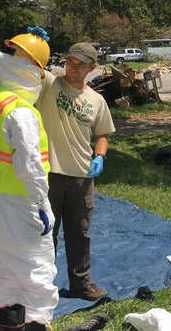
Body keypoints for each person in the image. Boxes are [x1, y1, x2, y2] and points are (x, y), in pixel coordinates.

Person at [0, 29, 58, 330]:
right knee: (36, 266)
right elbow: (30, 165)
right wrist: (43, 201)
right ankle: (36, 323)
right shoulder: (20, 109)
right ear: (34, 70)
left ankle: (8, 320)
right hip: (19, 200)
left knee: (3, 265)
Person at [36, 42, 115, 301]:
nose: (74, 68)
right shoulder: (50, 84)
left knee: (79, 233)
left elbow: (102, 134)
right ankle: (40, 288)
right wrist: (32, 42)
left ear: (92, 68)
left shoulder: (97, 100)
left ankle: (81, 285)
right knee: (46, 233)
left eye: (81, 64)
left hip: (82, 176)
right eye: (70, 62)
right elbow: (28, 65)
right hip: (50, 173)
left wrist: (100, 156)